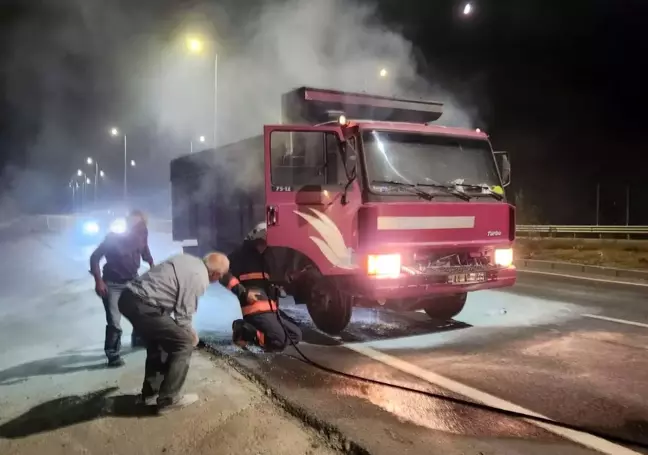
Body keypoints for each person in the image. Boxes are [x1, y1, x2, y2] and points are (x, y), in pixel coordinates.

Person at [118, 252, 229, 413]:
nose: (219, 279)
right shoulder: (199, 278)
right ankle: (168, 399)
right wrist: (191, 335)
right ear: (216, 274)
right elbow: (183, 314)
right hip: (144, 305)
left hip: (129, 298)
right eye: (221, 276)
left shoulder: (188, 259)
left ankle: (150, 394)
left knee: (160, 341)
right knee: (183, 344)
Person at [224, 223, 302, 352]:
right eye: (265, 241)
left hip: (270, 309)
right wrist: (243, 293)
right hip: (254, 309)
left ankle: (264, 336)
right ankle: (243, 330)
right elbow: (222, 273)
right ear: (258, 239)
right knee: (278, 341)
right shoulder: (240, 255)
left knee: (296, 334)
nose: (267, 245)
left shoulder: (264, 258)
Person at [90, 209, 154, 367]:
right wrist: (98, 281)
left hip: (132, 280)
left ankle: (138, 338)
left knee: (140, 312)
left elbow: (145, 250)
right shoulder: (113, 237)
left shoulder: (141, 234)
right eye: (132, 221)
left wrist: (152, 264)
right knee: (114, 321)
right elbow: (95, 257)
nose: (135, 224)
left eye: (138, 222)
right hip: (112, 282)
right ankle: (113, 354)